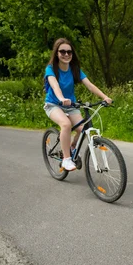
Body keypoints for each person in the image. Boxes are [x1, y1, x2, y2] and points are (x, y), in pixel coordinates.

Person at [44, 38, 112, 171]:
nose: (66, 54)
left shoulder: (74, 69)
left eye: (69, 52)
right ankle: (66, 159)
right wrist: (61, 98)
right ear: (57, 53)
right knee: (66, 124)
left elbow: (90, 85)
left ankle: (72, 146)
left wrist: (105, 97)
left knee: (84, 130)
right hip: (53, 104)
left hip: (71, 105)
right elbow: (55, 85)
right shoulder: (51, 69)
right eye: (62, 51)